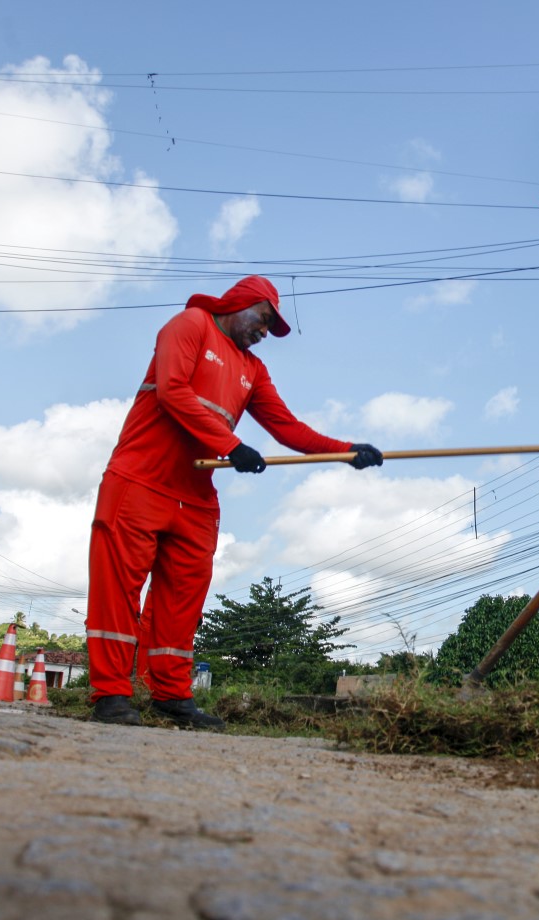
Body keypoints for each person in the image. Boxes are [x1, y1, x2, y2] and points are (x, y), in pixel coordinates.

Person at [86, 276, 384, 728]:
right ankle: (110, 695)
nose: (264, 333)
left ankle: (171, 695)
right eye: (263, 320)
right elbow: (172, 390)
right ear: (242, 303)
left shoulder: (254, 370)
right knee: (118, 592)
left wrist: (346, 451)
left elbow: (288, 428)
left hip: (195, 497)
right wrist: (230, 444)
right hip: (139, 482)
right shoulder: (190, 325)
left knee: (183, 600)